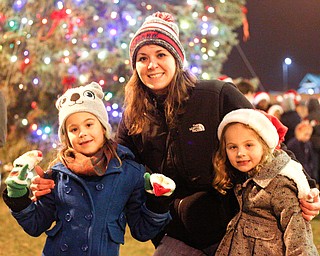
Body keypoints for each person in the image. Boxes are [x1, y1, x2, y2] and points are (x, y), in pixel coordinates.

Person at [30, 12, 320, 256]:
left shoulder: (217, 96)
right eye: (142, 58)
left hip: (233, 231)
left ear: (176, 58)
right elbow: (112, 162)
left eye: (160, 54)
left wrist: (307, 188)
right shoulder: (135, 115)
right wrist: (57, 177)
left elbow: (270, 146)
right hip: (175, 235)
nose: (151, 64)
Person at [2, 82, 174, 256]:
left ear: (103, 127)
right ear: (67, 137)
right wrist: (18, 198)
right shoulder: (58, 174)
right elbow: (36, 224)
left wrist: (157, 204)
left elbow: (142, 230)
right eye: (73, 129)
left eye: (89, 124)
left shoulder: (128, 171)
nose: (82, 133)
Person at [213, 109, 318, 255]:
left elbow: (300, 240)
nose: (240, 153)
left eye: (248, 145)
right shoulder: (243, 179)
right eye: (232, 147)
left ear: (264, 145)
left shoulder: (280, 186)